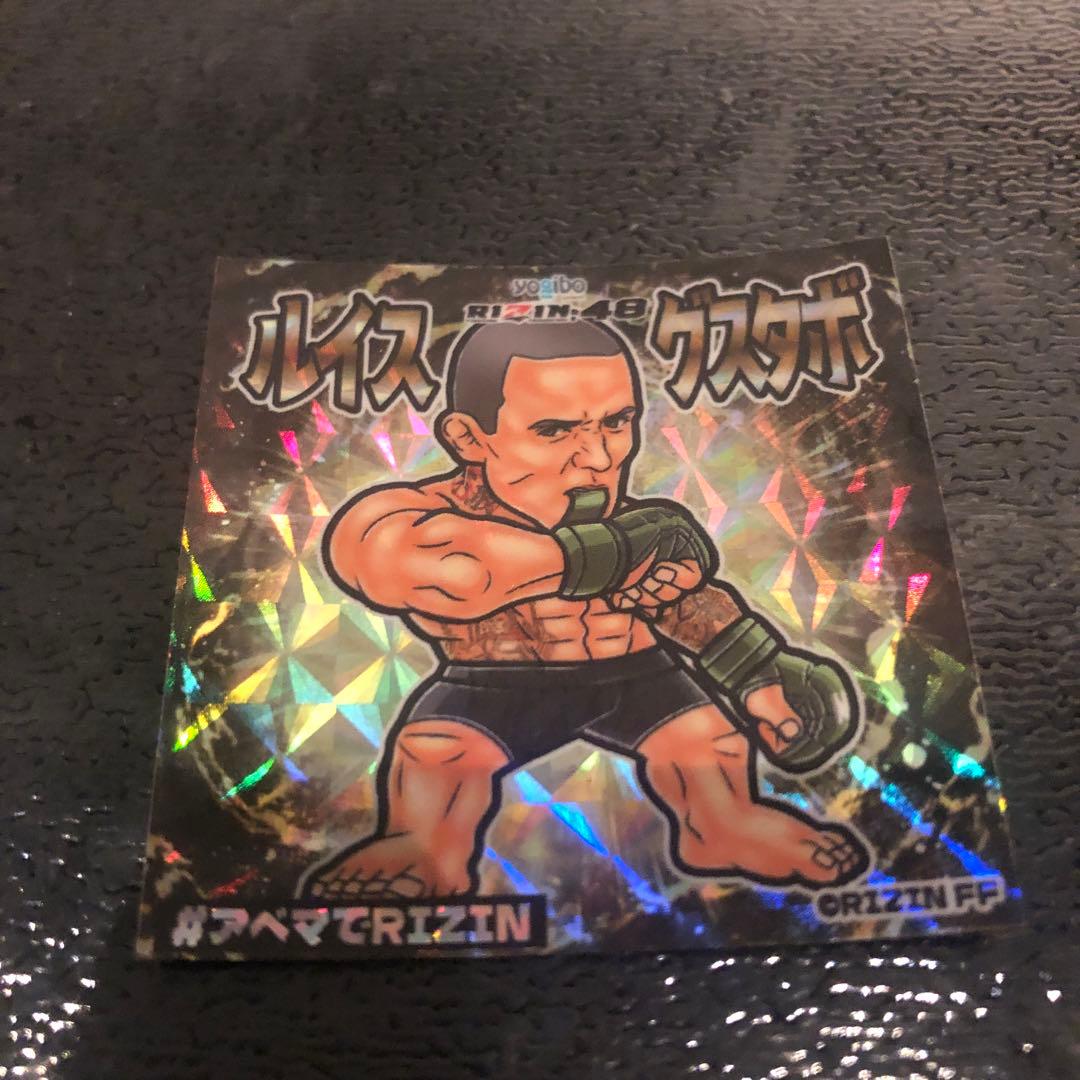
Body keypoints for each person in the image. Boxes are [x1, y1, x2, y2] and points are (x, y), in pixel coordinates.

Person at [298, 319, 868, 902]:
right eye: (553, 429)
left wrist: (757, 672)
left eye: (617, 422)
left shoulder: (640, 524)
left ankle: (724, 829)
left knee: (707, 744)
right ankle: (423, 851)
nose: (597, 457)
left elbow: (682, 604)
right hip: (489, 684)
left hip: (637, 675)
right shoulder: (416, 513)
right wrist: (619, 549)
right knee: (439, 756)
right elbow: (454, 571)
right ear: (469, 437)